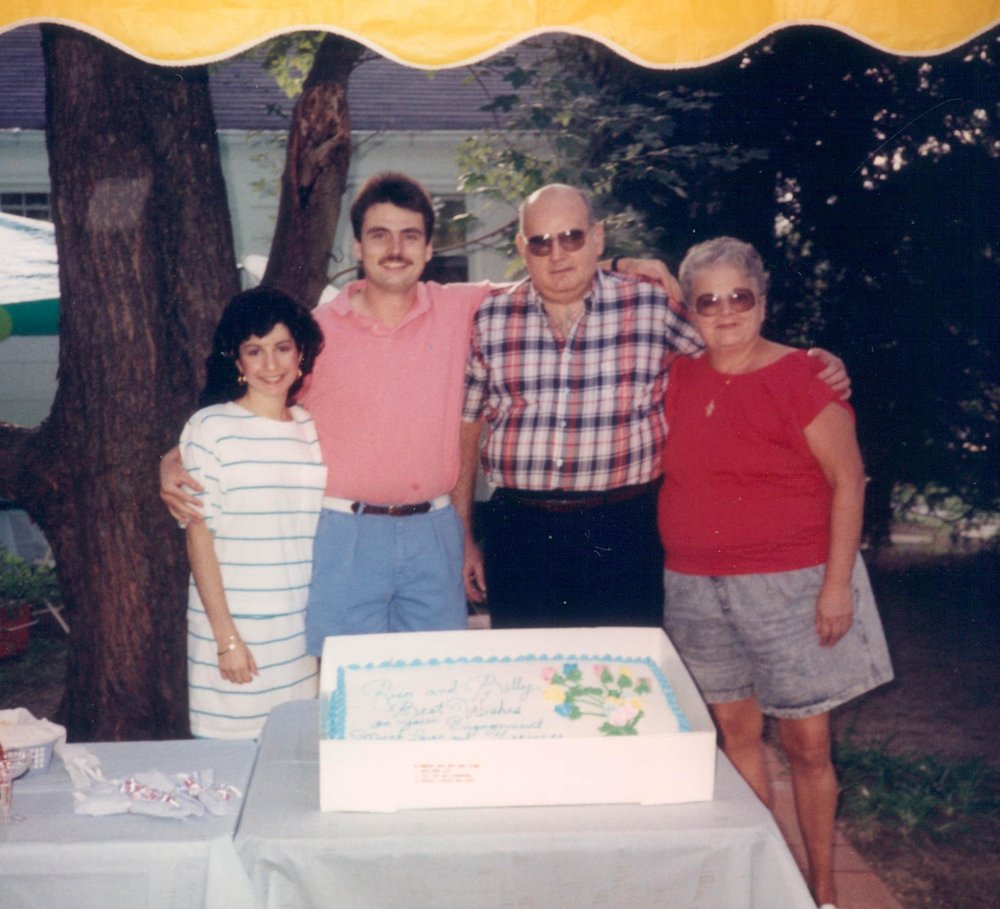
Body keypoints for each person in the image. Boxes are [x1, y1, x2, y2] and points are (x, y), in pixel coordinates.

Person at [163, 172, 665, 652]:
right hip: (347, 532)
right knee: (350, 681)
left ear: (429, 248)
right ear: (358, 247)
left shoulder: (462, 308)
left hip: (433, 534)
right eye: (379, 235)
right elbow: (249, 403)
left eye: (410, 235)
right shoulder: (314, 332)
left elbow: (552, 277)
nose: (396, 249)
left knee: (436, 681)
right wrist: (178, 456)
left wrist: (618, 265)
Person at [458, 184, 850, 629]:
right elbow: (466, 433)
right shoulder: (489, 320)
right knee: (530, 674)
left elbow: (733, 341)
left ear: (598, 237)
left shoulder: (651, 304)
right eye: (540, 242)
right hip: (520, 531)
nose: (557, 253)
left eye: (572, 237)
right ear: (522, 249)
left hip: (624, 527)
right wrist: (463, 537)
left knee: (626, 681)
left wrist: (805, 363)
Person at [657, 237, 893, 908]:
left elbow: (849, 482)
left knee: (808, 744)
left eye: (741, 296)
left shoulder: (805, 377)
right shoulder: (678, 375)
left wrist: (836, 585)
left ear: (763, 301)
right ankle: (771, 880)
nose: (726, 311)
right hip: (695, 585)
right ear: (690, 310)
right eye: (709, 300)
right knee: (736, 738)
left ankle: (821, 889)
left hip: (793, 585)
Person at [181, 287, 326, 739]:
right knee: (231, 763)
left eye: (282, 348)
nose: (270, 365)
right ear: (236, 360)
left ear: (300, 353)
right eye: (254, 350)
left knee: (295, 762)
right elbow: (199, 538)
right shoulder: (211, 428)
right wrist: (227, 640)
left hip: (298, 636)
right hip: (235, 633)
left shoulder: (308, 427)